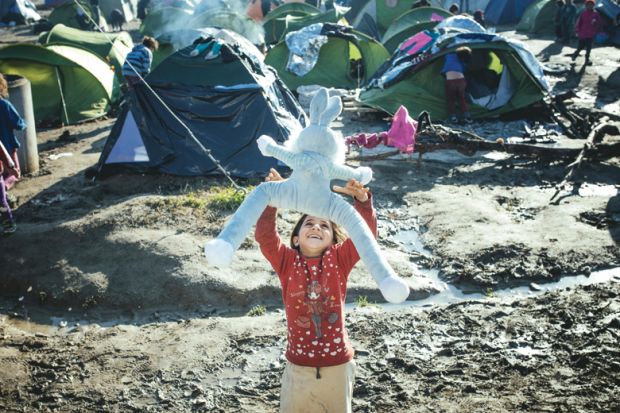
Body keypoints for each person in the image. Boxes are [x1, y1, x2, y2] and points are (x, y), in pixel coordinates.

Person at [255, 168, 375, 413]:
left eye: (324, 225)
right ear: (296, 238)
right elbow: (265, 237)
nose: (317, 227)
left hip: (338, 365)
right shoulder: (287, 262)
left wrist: (363, 203)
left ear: (333, 239)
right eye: (309, 223)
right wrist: (272, 199)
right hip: (298, 366)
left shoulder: (340, 260)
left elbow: (367, 236)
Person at [0, 74, 26, 235]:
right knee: (14, 173)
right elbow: (18, 123)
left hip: (4, 149)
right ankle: (4, 193)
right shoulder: (4, 105)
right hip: (8, 146)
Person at [441, 46, 472, 124]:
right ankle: (467, 117)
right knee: (461, 98)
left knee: (451, 99)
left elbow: (445, 51)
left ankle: (453, 117)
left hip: (450, 81)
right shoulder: (463, 61)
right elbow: (465, 69)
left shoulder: (450, 55)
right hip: (461, 80)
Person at [572, 0, 601, 65]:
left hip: (590, 34)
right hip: (582, 34)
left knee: (588, 48)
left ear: (593, 5)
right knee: (580, 47)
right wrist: (577, 31)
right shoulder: (583, 13)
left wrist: (595, 24)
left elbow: (599, 23)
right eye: (588, 5)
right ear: (586, 6)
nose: (589, 6)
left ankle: (587, 59)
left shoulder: (595, 14)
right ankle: (575, 55)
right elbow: (579, 23)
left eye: (591, 5)